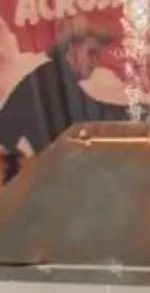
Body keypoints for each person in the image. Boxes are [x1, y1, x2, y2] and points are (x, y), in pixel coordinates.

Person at [0, 13, 127, 180]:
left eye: (97, 55)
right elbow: (93, 116)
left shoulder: (53, 75)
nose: (95, 62)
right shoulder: (52, 78)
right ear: (73, 50)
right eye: (91, 53)